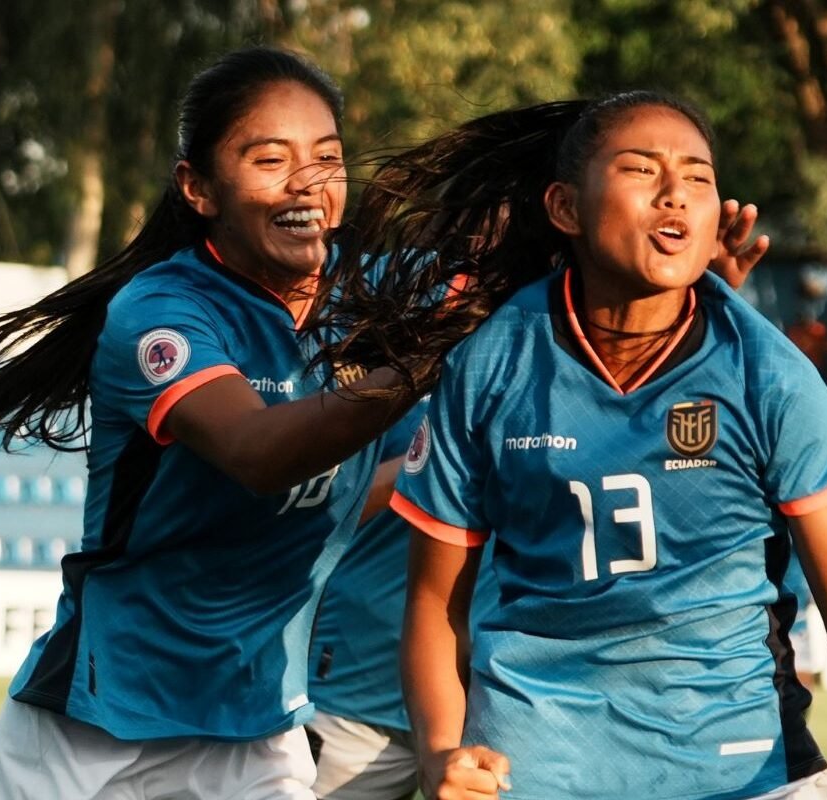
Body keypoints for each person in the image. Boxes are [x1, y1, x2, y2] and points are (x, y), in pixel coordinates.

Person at [313, 91, 827, 799]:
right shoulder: (491, 363)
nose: (676, 196)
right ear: (566, 208)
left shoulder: (770, 375)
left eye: (698, 178)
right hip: (536, 766)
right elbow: (435, 607)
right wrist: (441, 753)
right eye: (643, 170)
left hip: (741, 770)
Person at [0, 47, 426, 800]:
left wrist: (435, 466)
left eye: (328, 158)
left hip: (259, 726)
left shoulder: (366, 306)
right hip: (100, 726)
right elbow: (259, 456)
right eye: (271, 158)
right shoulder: (164, 310)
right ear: (197, 188)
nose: (308, 182)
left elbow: (324, 491)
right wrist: (425, 366)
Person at [305, 207, 769, 800]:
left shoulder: (563, 349)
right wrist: (445, 462)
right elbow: (324, 498)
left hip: (498, 708)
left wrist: (696, 298)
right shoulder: (401, 322)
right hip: (359, 692)